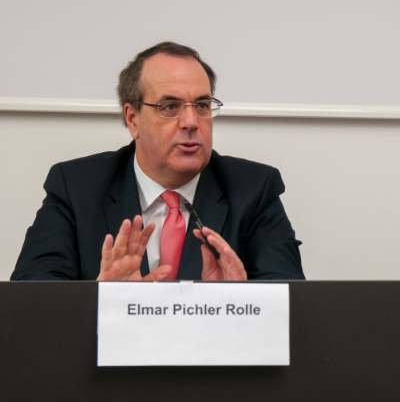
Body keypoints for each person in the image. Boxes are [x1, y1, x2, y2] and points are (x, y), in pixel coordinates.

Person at [12, 42, 305, 281]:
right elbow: (32, 298)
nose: (191, 121)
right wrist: (105, 302)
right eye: (170, 107)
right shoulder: (76, 187)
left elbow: (291, 304)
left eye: (202, 105)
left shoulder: (254, 189)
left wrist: (239, 302)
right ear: (133, 119)